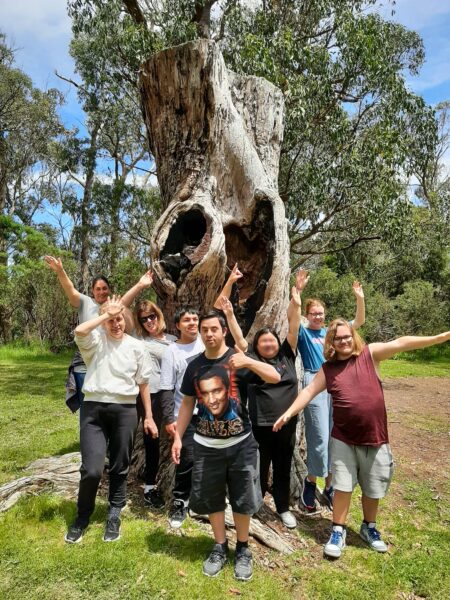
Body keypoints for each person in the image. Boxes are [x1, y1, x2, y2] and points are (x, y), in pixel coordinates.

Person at [274, 320, 450, 559]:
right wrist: (288, 413)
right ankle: (338, 530)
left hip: (376, 438)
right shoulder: (328, 369)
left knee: (373, 487)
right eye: (338, 339)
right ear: (332, 343)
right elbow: (308, 391)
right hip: (343, 440)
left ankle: (369, 526)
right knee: (343, 487)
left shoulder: (370, 353)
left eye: (347, 336)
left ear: (353, 336)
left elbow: (400, 343)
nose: (344, 341)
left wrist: (439, 338)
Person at [171, 310, 281, 581]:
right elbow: (187, 403)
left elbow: (275, 376)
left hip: (240, 445)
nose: (209, 334)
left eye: (214, 329)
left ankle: (243, 548)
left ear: (223, 332)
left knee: (243, 499)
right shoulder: (194, 365)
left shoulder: (238, 360)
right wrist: (177, 436)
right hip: (206, 446)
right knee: (212, 498)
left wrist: (249, 362)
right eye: (204, 330)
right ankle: (220, 545)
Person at [65, 296, 158, 544]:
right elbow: (80, 330)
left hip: (125, 410)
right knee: (92, 469)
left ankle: (114, 513)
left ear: (125, 320)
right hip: (93, 410)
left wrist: (148, 416)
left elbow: (144, 383)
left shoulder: (137, 347)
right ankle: (82, 516)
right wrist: (106, 314)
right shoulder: (95, 341)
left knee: (120, 465)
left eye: (119, 319)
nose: (115, 324)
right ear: (104, 321)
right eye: (110, 320)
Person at [216, 275, 303, 529]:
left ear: (278, 342)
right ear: (257, 345)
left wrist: (296, 299)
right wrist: (230, 315)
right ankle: (255, 504)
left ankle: (284, 508)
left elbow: (293, 325)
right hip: (260, 425)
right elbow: (239, 339)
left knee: (284, 467)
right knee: (259, 468)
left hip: (286, 423)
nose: (268, 343)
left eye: (271, 339)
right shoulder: (251, 359)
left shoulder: (287, 355)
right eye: (263, 340)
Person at [44, 256, 153, 411]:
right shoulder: (85, 303)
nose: (101, 292)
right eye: (98, 289)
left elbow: (124, 301)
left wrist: (140, 285)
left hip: (107, 361)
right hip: (85, 361)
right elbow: (70, 289)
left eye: (104, 288)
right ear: (92, 291)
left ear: (109, 290)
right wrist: (60, 270)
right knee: (88, 405)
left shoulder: (113, 306)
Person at [296, 272, 365, 511]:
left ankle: (330, 486)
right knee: (319, 436)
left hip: (337, 382)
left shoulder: (331, 333)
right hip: (314, 379)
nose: (318, 316)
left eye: (320, 313)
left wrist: (359, 299)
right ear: (307, 315)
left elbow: (358, 322)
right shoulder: (304, 332)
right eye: (313, 313)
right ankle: (310, 482)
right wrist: (298, 291)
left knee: (336, 436)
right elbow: (292, 318)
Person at [159, 306, 204, 528]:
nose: (192, 323)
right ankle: (180, 500)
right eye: (187, 320)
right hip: (184, 415)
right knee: (186, 460)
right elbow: (166, 387)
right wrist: (169, 419)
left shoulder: (207, 343)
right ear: (177, 325)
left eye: (195, 318)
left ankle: (207, 499)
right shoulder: (172, 351)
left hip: (211, 414)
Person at [134, 298, 176, 508]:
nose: (149, 321)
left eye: (152, 316)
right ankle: (150, 488)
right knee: (152, 441)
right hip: (150, 395)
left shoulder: (173, 339)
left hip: (173, 395)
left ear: (158, 315)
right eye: (144, 320)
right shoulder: (141, 342)